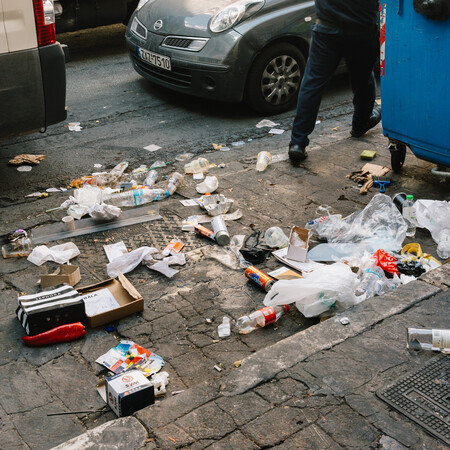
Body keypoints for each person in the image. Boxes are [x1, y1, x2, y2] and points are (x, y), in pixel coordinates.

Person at [289, 0, 381, 164]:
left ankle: (297, 142)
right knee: (363, 78)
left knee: (312, 84)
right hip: (362, 28)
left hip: (327, 28)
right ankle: (360, 124)